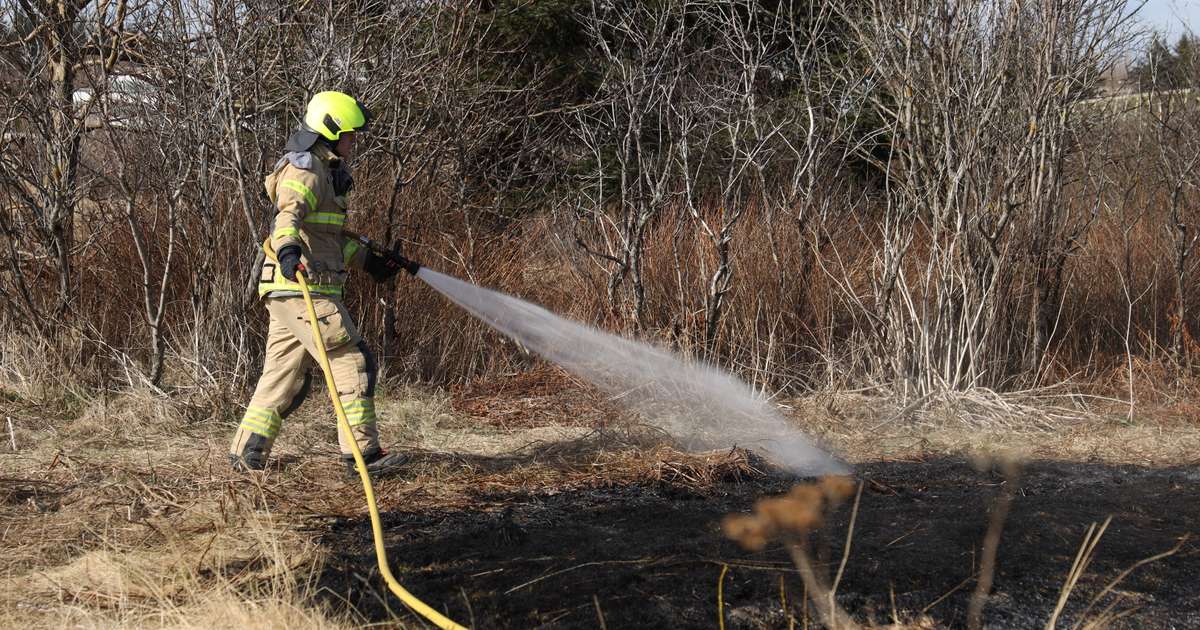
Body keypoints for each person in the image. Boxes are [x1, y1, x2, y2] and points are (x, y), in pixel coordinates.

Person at [230, 90, 410, 477]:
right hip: (300, 286)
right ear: (330, 131)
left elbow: (328, 240)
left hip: (293, 287)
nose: (354, 140)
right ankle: (363, 456)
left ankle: (247, 453)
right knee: (352, 359)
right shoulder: (306, 169)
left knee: (283, 376)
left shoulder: (326, 170)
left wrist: (372, 264)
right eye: (349, 133)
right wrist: (290, 252)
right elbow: (287, 219)